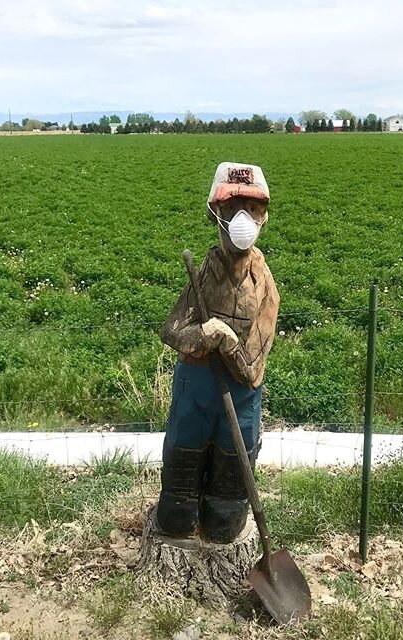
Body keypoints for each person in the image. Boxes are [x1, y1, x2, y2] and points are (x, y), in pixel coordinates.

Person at [156, 162, 280, 544]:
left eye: (251, 209)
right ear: (216, 213)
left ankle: (226, 502)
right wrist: (200, 334)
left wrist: (227, 343)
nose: (242, 219)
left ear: (263, 217)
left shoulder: (263, 284)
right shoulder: (204, 272)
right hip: (196, 385)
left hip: (239, 396)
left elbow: (253, 369)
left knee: (228, 493)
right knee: (179, 487)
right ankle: (180, 502)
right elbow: (171, 331)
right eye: (231, 208)